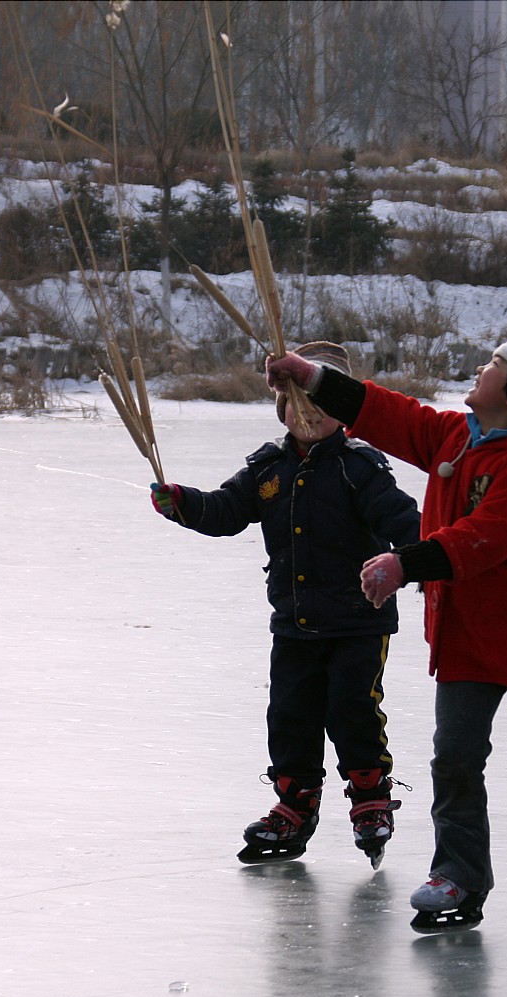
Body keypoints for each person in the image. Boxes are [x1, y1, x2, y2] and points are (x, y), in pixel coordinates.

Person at [266, 328, 507, 932]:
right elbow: (384, 412)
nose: (481, 369)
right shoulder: (452, 437)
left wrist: (401, 562)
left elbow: (478, 540)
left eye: (494, 365)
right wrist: (309, 379)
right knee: (456, 760)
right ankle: (459, 872)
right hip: (463, 639)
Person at [151, 342, 421, 868]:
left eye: (320, 405)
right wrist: (182, 502)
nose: (308, 415)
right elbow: (225, 510)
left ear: (343, 411)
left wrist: (422, 559)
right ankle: (295, 803)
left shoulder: (358, 466)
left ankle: (369, 795)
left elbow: (403, 521)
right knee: (290, 715)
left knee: (352, 705)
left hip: (357, 621)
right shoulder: (267, 467)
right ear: (282, 410)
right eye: (297, 405)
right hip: (294, 622)